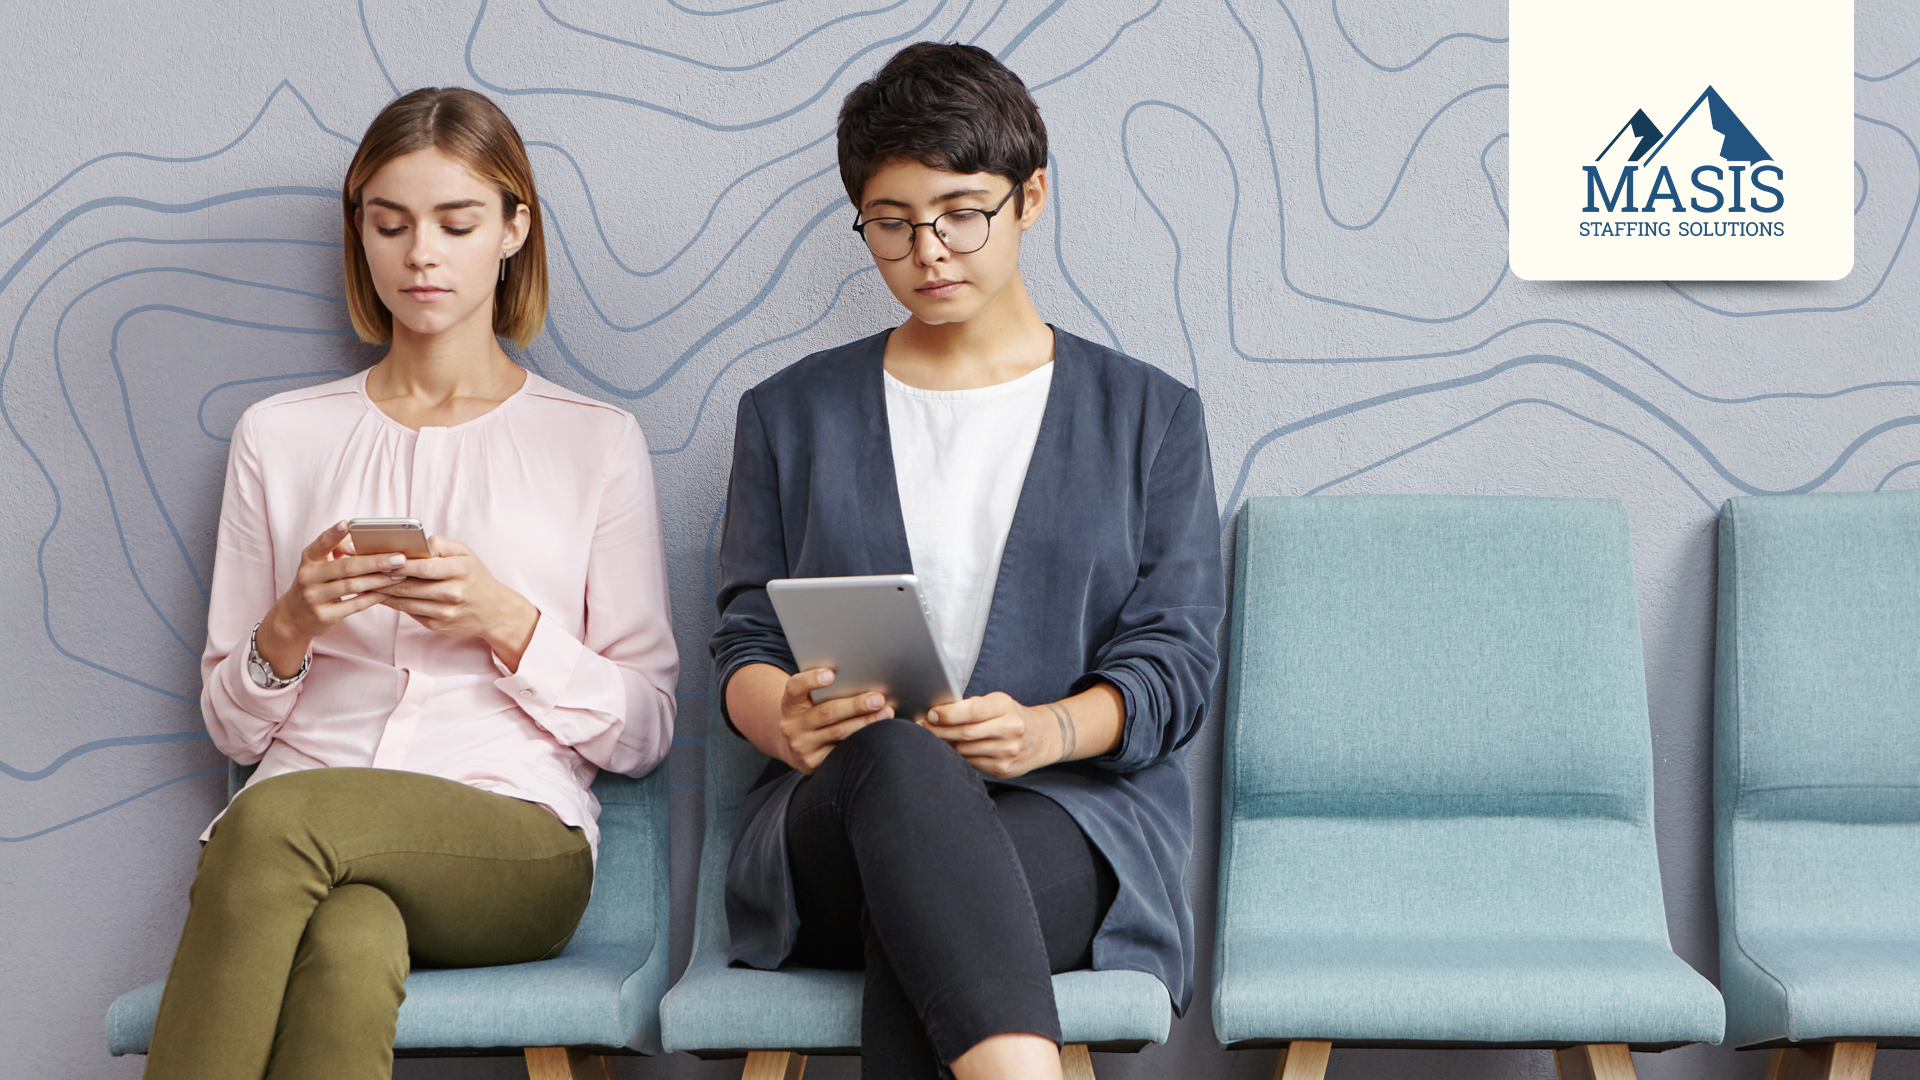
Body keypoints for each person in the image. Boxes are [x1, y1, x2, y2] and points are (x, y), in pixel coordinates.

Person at [711, 43, 1225, 1080]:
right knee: (902, 763)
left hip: (1074, 815)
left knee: (941, 915)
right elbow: (745, 638)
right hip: (835, 822)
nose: (929, 252)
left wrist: (1045, 732)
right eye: (892, 224)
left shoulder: (1150, 417)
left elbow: (1175, 663)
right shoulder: (789, 415)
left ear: (1030, 198)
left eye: (961, 214)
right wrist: (782, 718)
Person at [143, 87, 678, 1080]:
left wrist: (506, 622)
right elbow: (233, 729)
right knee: (351, 941)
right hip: (303, 832)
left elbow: (646, 732)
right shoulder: (280, 437)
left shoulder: (594, 442)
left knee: (271, 819)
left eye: (455, 223)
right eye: (390, 226)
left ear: (514, 229)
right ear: (361, 235)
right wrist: (291, 625)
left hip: (511, 840)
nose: (420, 254)